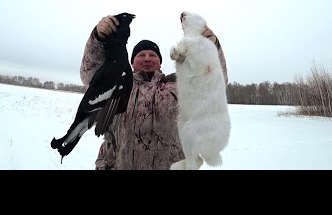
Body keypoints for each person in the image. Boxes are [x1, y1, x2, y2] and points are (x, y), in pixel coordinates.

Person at [79, 14, 228, 170]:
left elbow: (212, 85)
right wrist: (99, 39)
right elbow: (91, 74)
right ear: (131, 62)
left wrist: (209, 48)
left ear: (160, 63)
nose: (147, 58)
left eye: (153, 55)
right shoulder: (117, 85)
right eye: (141, 55)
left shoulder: (178, 86)